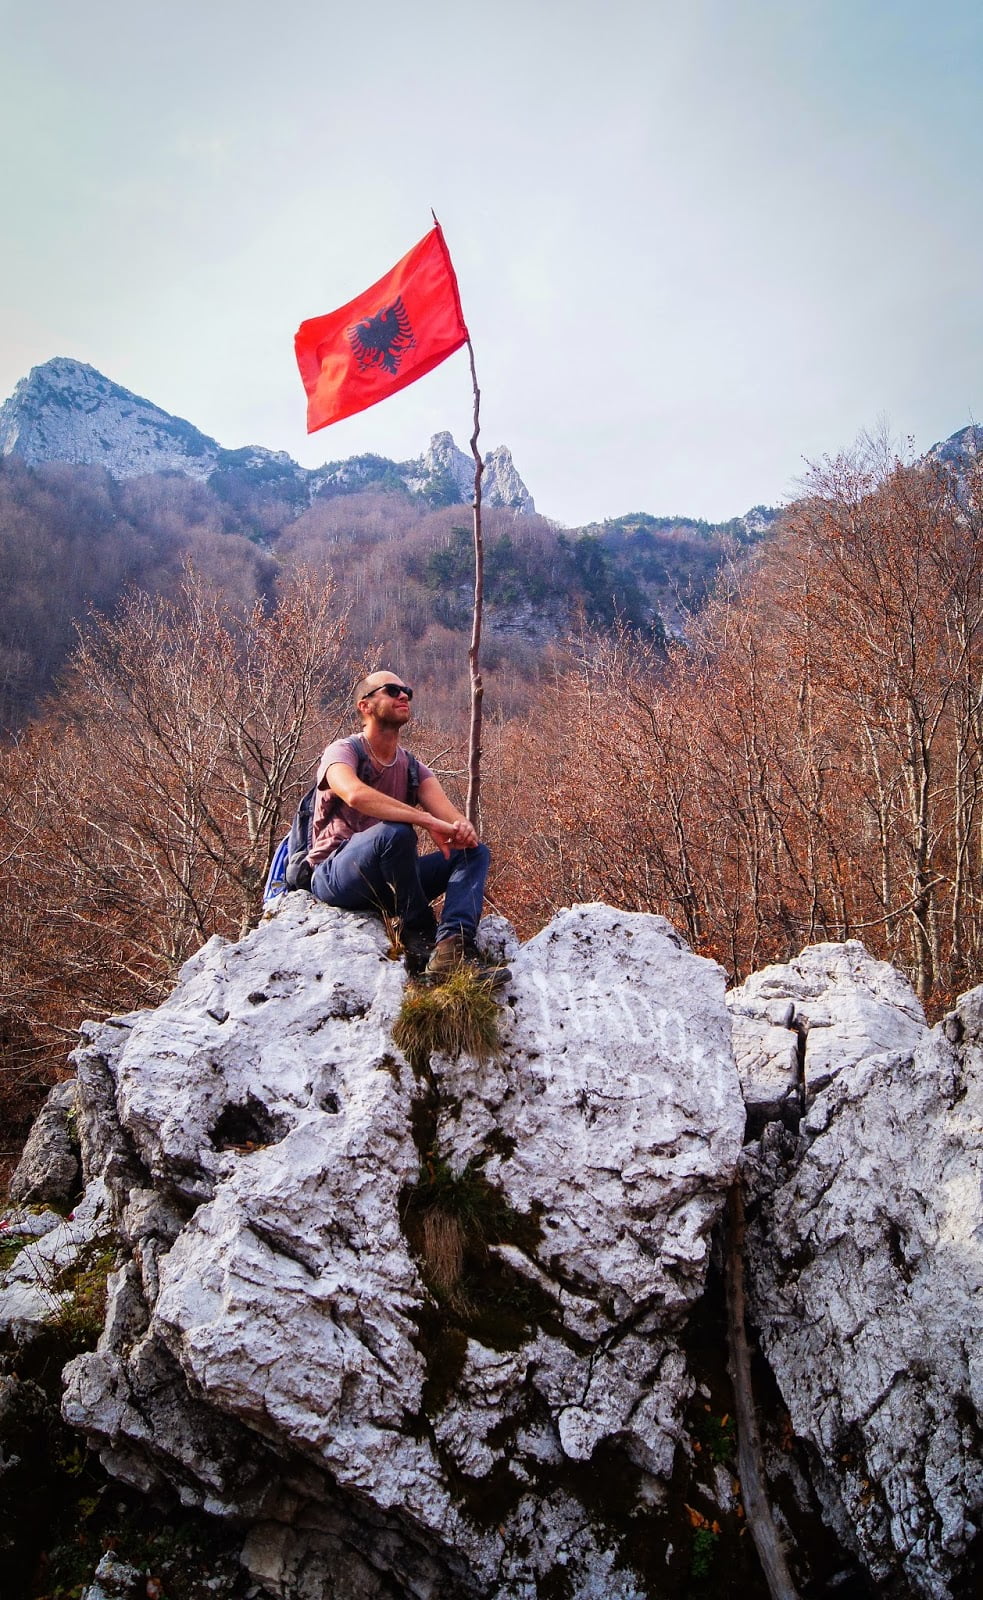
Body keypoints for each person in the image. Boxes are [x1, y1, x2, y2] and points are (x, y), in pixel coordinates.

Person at [307, 671, 509, 985]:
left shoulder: (413, 768)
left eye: (407, 691)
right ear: (366, 706)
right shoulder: (344, 752)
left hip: (395, 879)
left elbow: (451, 819)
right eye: (392, 690)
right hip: (336, 875)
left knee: (473, 853)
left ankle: (452, 949)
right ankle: (417, 932)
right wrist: (423, 820)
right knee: (396, 833)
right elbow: (354, 793)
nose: (404, 695)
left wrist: (463, 830)